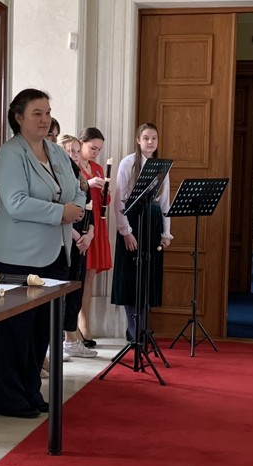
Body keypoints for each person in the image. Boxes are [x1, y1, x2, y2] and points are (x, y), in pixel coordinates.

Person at [0, 89, 84, 417]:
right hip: (15, 254)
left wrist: (75, 208)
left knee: (43, 328)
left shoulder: (55, 151)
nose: (45, 120)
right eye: (37, 114)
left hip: (55, 252)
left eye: (48, 113)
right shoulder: (10, 154)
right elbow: (16, 203)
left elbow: (76, 190)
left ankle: (30, 391)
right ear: (18, 117)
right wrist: (61, 213)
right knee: (16, 330)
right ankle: (8, 398)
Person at [111, 123, 172, 341]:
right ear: (138, 140)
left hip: (152, 224)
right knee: (131, 278)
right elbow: (119, 200)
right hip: (133, 222)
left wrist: (166, 233)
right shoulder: (128, 163)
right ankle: (133, 330)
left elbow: (164, 202)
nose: (150, 142)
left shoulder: (161, 166)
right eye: (146, 138)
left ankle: (143, 328)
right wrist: (126, 231)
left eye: (154, 138)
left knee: (148, 278)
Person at [57, 134, 98, 359]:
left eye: (76, 150)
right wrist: (75, 236)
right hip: (67, 239)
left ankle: (71, 339)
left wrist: (89, 234)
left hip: (82, 240)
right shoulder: (59, 177)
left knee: (77, 289)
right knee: (63, 290)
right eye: (69, 151)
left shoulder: (81, 177)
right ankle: (59, 341)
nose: (74, 154)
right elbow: (60, 211)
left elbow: (90, 211)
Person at [75, 127, 111, 347]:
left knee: (89, 277)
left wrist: (106, 192)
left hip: (97, 221)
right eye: (93, 148)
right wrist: (88, 184)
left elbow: (103, 200)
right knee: (78, 276)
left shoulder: (97, 167)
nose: (96, 152)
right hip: (83, 221)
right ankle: (75, 325)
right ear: (81, 143)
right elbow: (74, 191)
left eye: (99, 149)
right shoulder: (74, 165)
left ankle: (85, 322)